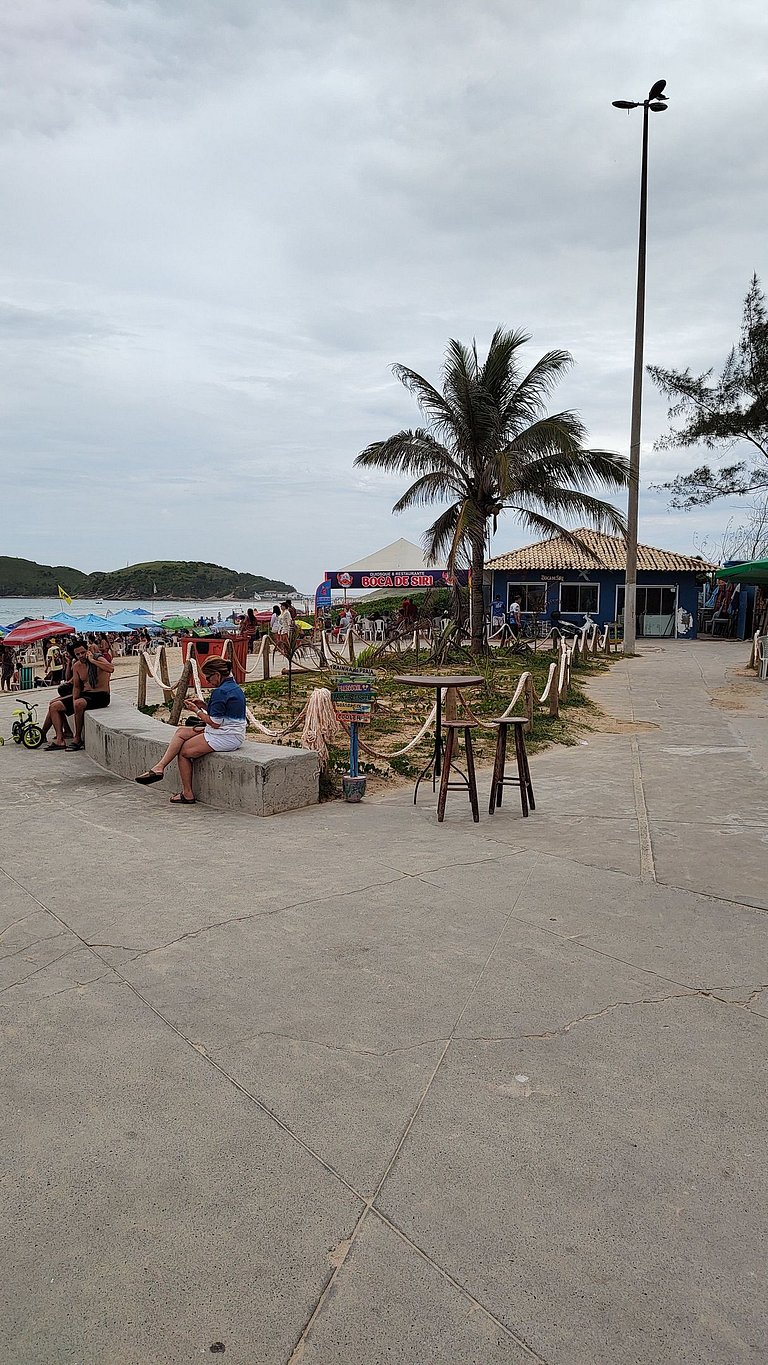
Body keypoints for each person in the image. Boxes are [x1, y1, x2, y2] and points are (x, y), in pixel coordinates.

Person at [134, 656, 246, 805]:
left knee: (184, 752)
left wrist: (196, 710)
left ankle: (187, 793)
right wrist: (204, 706)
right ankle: (159, 767)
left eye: (209, 677)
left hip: (225, 736)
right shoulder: (234, 687)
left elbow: (215, 723)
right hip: (232, 733)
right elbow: (222, 714)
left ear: (217, 675)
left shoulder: (220, 692)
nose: (208, 681)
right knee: (181, 732)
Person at [46, 639, 114, 751]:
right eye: (77, 654)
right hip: (86, 694)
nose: (81, 656)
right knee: (54, 706)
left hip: (101, 695)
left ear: (87, 650)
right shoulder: (77, 666)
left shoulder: (98, 658)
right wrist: (74, 699)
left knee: (79, 704)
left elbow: (111, 668)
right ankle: (60, 740)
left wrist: (92, 661)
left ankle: (77, 738)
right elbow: (76, 686)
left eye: (83, 652)